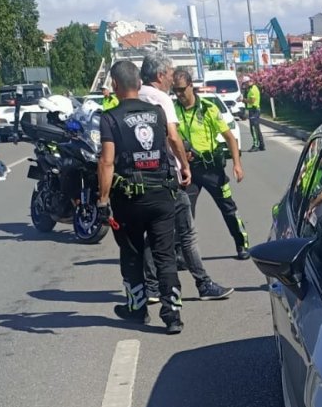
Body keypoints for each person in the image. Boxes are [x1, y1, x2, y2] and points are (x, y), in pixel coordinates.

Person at [96, 60, 190, 334]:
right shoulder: (158, 112)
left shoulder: (110, 118)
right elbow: (173, 139)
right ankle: (172, 314)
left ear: (114, 86)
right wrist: (184, 165)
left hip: (128, 201)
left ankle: (137, 310)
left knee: (132, 254)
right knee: (165, 256)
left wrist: (102, 201)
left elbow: (107, 162)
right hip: (162, 195)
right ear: (139, 83)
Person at [139, 58, 230, 302]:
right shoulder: (161, 99)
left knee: (153, 232)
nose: (171, 78)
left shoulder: (135, 96)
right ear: (159, 75)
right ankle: (203, 285)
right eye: (169, 74)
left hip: (141, 176)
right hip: (167, 174)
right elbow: (173, 137)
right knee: (187, 233)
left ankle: (150, 287)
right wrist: (185, 164)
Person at [172, 69, 250, 259]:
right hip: (189, 170)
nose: (179, 94)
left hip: (212, 169)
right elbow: (169, 137)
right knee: (184, 211)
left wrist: (237, 164)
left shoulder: (208, 109)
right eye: (176, 90)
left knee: (228, 208)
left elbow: (230, 138)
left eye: (182, 89)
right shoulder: (173, 110)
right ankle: (181, 253)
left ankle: (242, 243)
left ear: (191, 86)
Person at [244, 78, 266, 151]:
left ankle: (256, 145)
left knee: (253, 128)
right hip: (253, 110)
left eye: (245, 83)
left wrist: (243, 100)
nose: (245, 85)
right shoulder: (252, 88)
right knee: (256, 128)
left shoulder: (253, 89)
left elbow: (252, 101)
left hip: (254, 110)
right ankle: (261, 145)